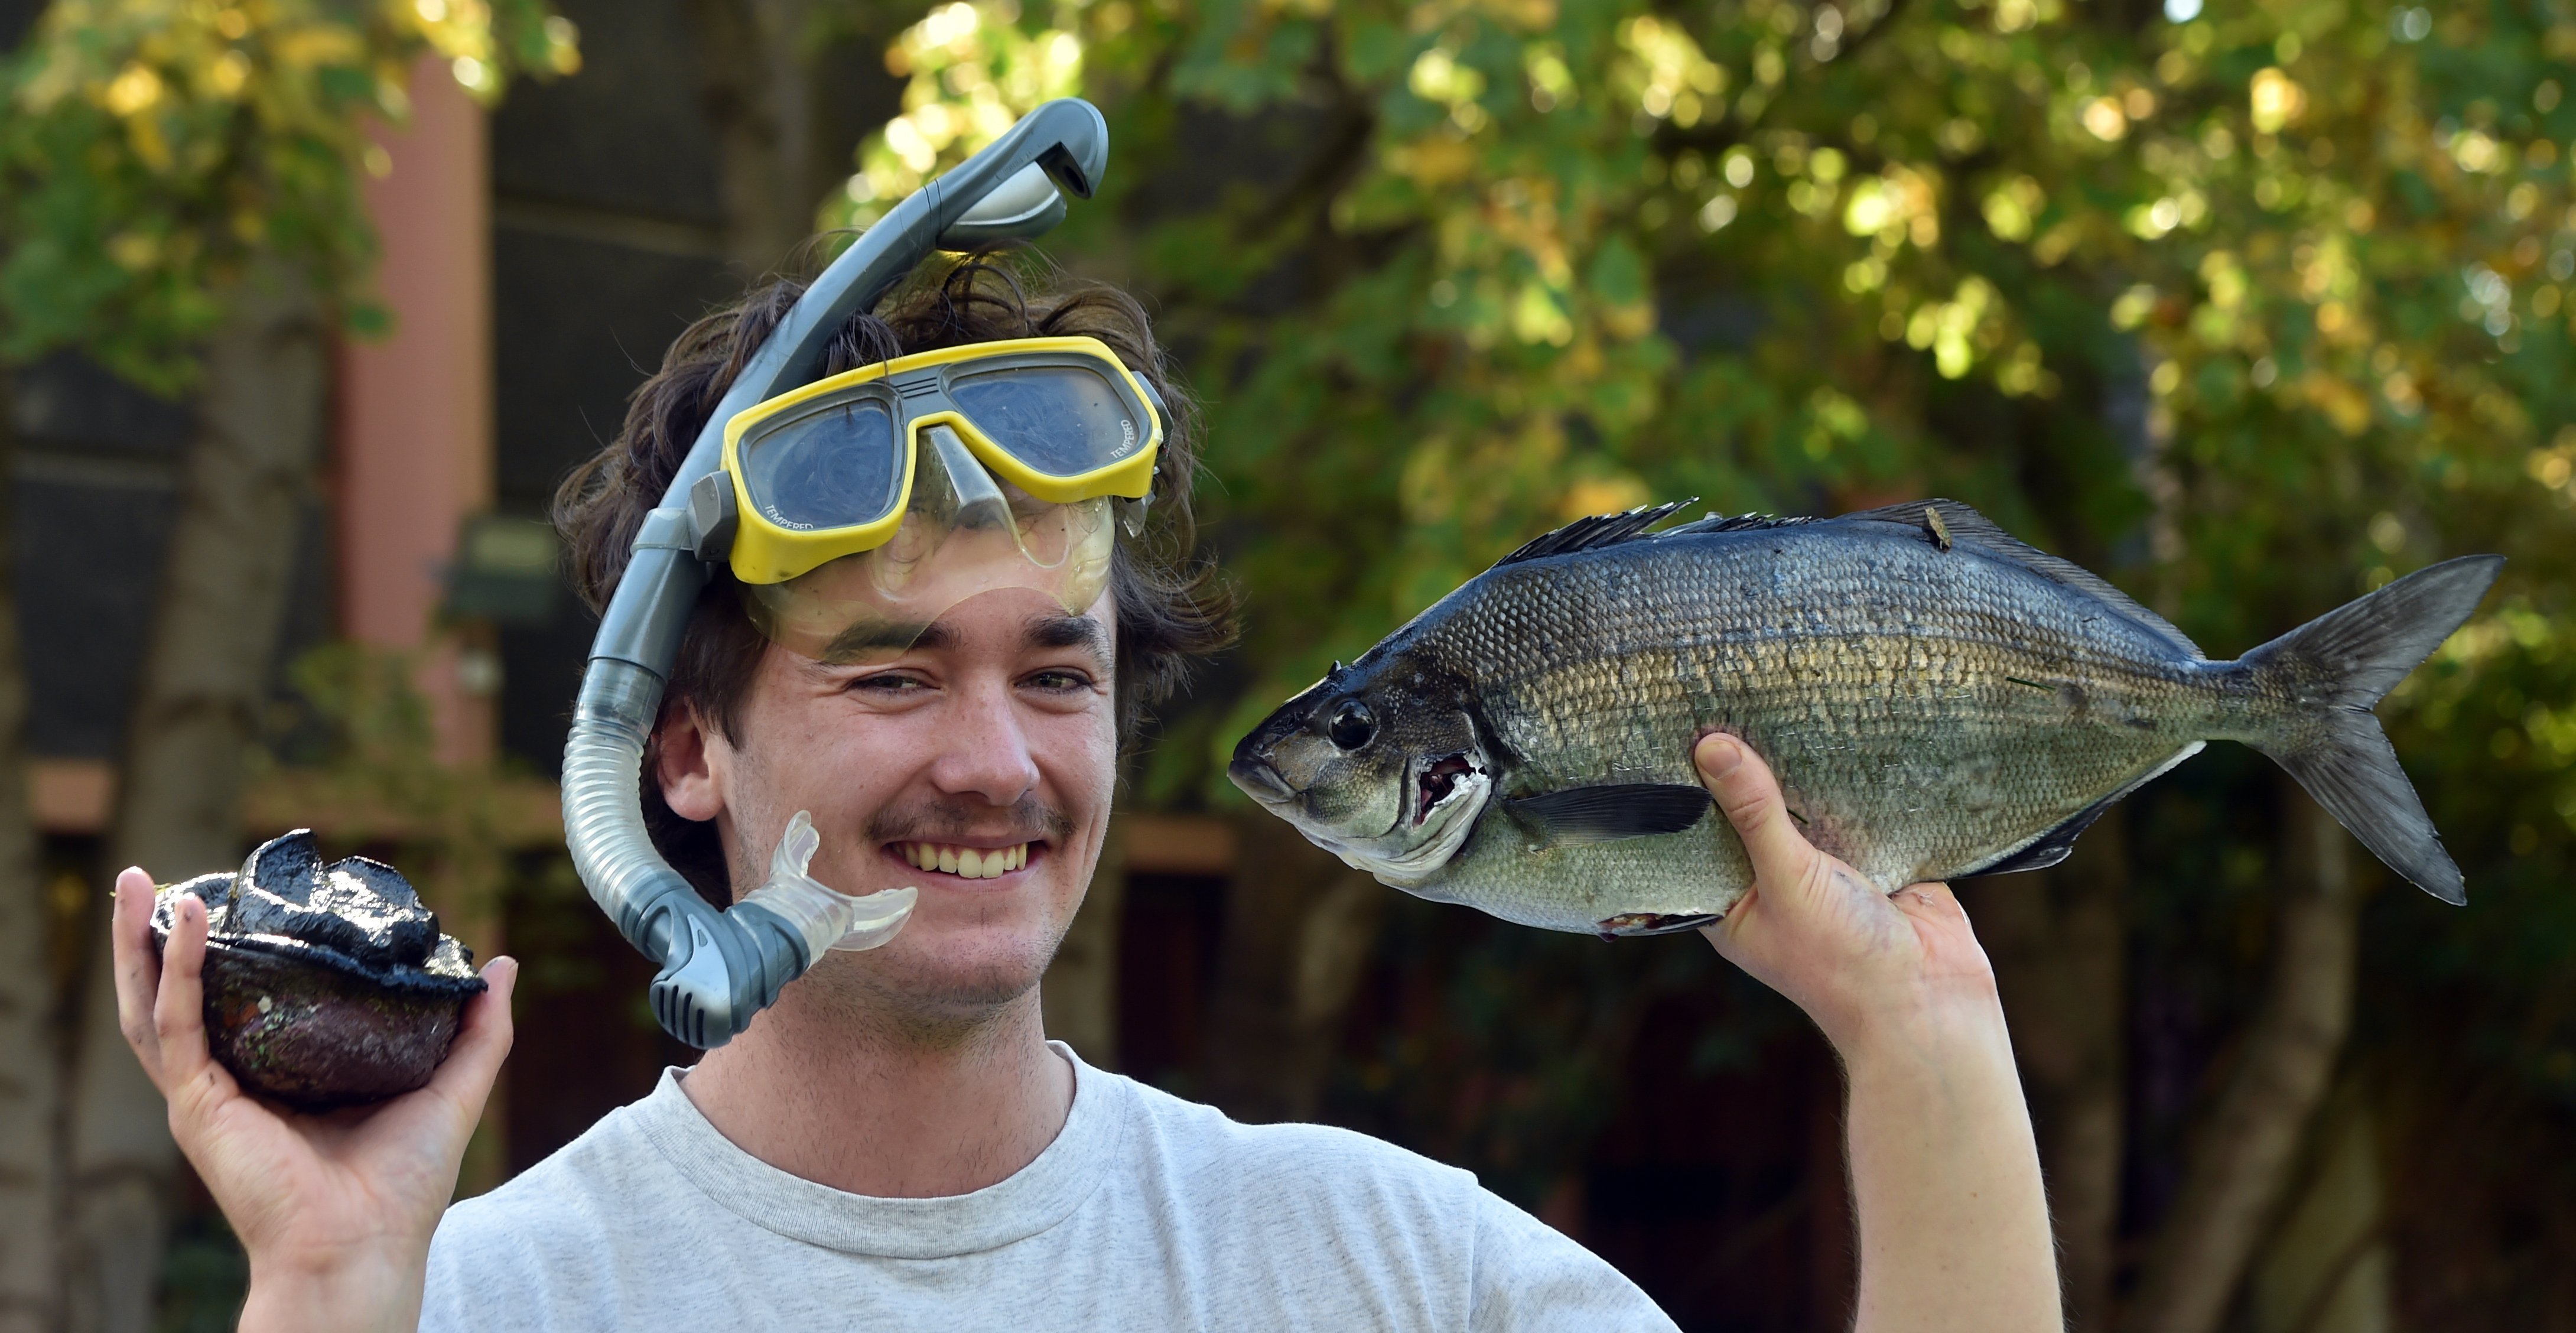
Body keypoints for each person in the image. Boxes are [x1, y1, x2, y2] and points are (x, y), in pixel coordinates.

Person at [111, 255, 2061, 1332]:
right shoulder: (481, 1307)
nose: (998, 760)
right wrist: (323, 1288)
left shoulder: (1388, 1273)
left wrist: (1923, 1049)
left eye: (1059, 672)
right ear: (683, 753)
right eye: (890, 672)